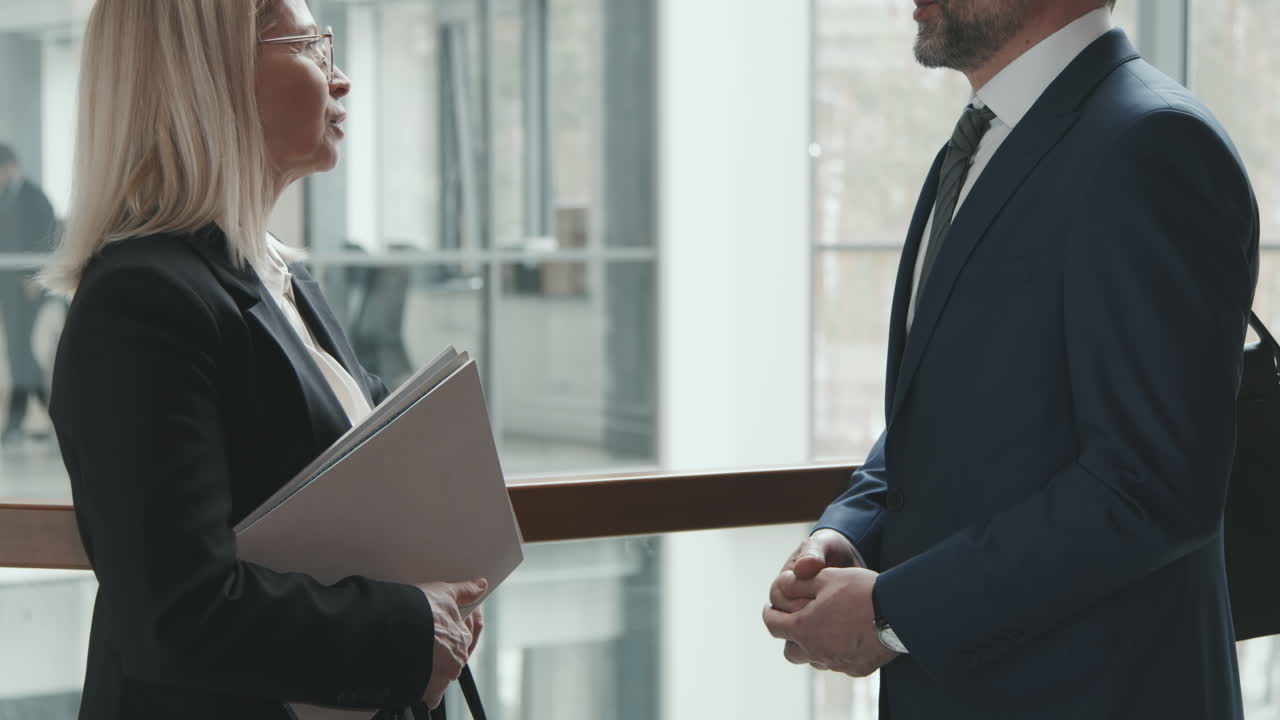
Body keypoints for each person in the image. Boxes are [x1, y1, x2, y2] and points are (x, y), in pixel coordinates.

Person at [763, 1, 1258, 718]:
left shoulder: (1153, 143)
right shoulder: (982, 142)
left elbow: (1149, 486)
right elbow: (943, 406)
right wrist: (847, 532)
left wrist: (891, 611)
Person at [40, 1, 485, 718]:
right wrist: (406, 630)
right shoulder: (141, 303)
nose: (341, 80)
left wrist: (437, 613)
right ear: (205, 74)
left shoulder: (282, 280)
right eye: (311, 45)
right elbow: (180, 614)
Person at [0, 143, 56, 444]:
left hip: (30, 290)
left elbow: (50, 241)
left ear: (10, 167)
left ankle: (30, 416)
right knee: (17, 351)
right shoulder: (3, 199)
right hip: (9, 290)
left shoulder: (35, 198)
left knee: (20, 350)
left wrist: (37, 278)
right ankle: (48, 411)